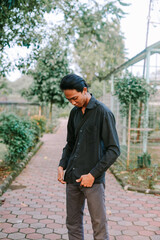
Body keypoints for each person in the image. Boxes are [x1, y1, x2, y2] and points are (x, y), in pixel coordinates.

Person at [58, 73, 120, 240]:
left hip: (93, 180)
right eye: (69, 100)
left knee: (99, 224)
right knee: (72, 222)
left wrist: (92, 174)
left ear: (84, 90)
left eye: (75, 98)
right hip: (72, 177)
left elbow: (114, 149)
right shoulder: (74, 113)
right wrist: (62, 164)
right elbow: (70, 143)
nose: (72, 102)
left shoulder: (103, 113)